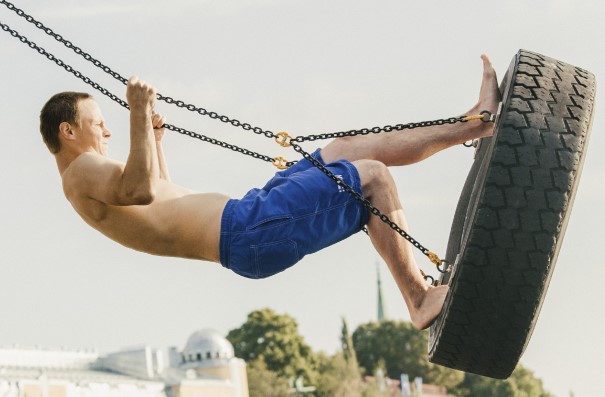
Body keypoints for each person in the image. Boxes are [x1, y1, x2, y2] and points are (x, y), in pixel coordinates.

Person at [40, 55, 500, 329]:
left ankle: (476, 123)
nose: (108, 132)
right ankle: (418, 299)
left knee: (345, 149)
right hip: (249, 231)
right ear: (69, 130)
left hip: (250, 217)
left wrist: (155, 140)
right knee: (372, 177)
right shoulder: (79, 173)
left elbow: (156, 191)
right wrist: (136, 113)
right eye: (99, 125)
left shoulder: (87, 177)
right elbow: (138, 190)